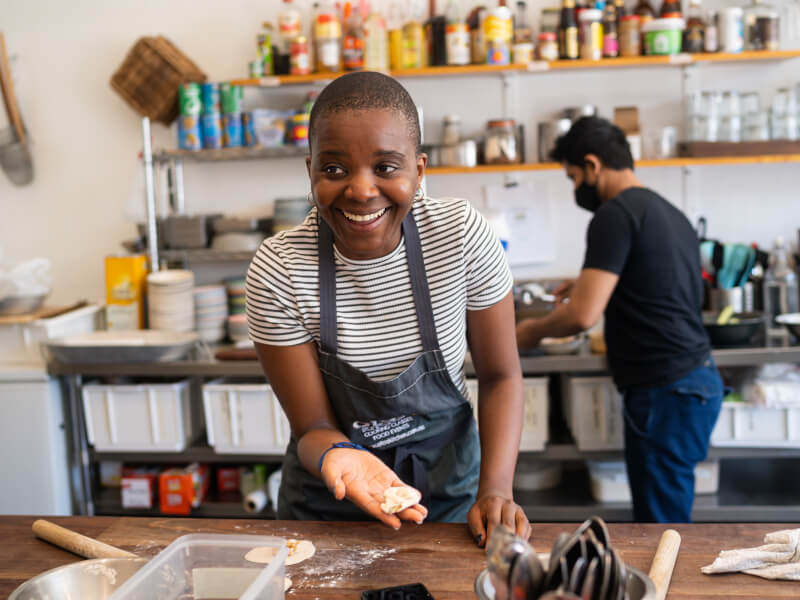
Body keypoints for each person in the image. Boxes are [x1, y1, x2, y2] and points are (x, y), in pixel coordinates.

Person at [246, 71, 530, 545]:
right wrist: (341, 455)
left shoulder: (460, 238)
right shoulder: (280, 268)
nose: (360, 191)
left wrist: (496, 489)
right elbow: (312, 425)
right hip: (326, 507)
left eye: (385, 167)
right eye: (334, 169)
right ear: (310, 168)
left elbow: (502, 376)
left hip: (453, 500)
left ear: (420, 170)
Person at [516, 116, 723, 523]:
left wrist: (529, 333)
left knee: (661, 526)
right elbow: (652, 276)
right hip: (693, 381)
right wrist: (584, 281)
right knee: (665, 515)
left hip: (667, 391)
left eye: (574, 176)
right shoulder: (666, 211)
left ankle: (668, 589)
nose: (576, 188)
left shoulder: (614, 215)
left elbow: (582, 316)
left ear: (593, 165)